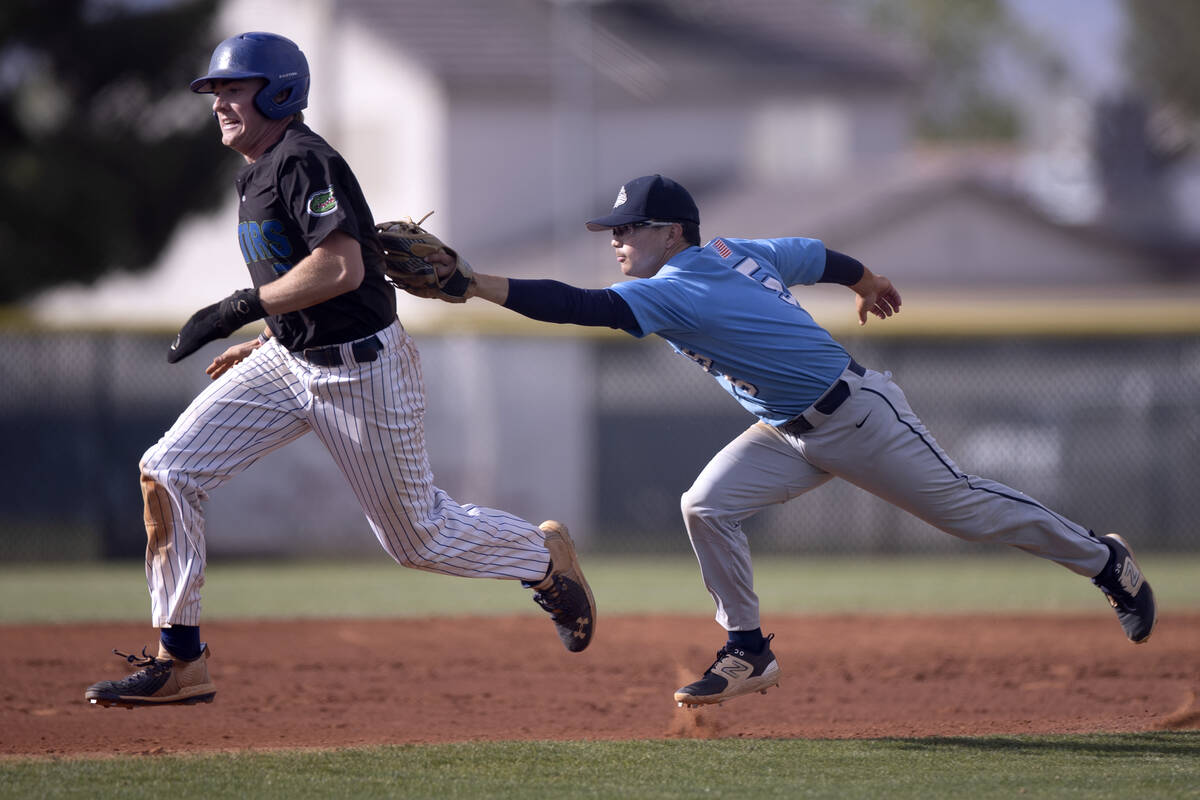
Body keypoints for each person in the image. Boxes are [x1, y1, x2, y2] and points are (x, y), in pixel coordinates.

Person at [412, 173, 1157, 707]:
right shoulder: (737, 251)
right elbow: (811, 253)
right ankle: (747, 649)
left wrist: (474, 284)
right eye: (612, 232)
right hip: (786, 430)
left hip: (861, 420)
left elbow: (579, 307)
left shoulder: (672, 285)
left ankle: (1105, 560)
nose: (616, 242)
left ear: (671, 232)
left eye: (627, 229)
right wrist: (865, 278)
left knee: (967, 512)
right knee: (705, 505)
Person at [84, 32, 595, 709]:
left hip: (362, 371)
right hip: (290, 358)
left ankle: (541, 558)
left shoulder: (303, 159)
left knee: (418, 538)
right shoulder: (256, 170)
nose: (219, 104)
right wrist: (271, 332)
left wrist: (239, 307)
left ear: (279, 91)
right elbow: (301, 274)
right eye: (215, 92)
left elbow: (341, 267)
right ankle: (181, 659)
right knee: (169, 470)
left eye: (234, 89)